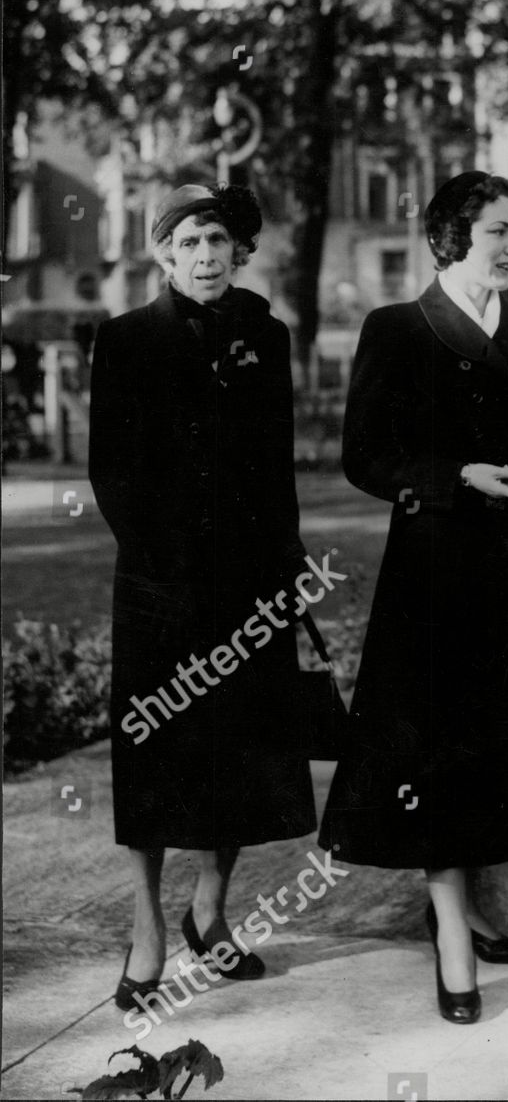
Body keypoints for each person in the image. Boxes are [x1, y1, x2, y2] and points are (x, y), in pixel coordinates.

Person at [318, 172, 508, 1024]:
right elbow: (364, 458)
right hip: (433, 575)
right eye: (497, 232)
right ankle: (449, 936)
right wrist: (452, 477)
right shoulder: (397, 330)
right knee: (436, 751)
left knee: (492, 747)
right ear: (450, 238)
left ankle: (466, 909)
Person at [90, 183, 316, 1014]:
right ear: (163, 254)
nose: (207, 256)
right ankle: (146, 926)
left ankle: (210, 911)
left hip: (249, 585)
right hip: (159, 587)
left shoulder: (267, 335)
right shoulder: (124, 340)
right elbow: (110, 472)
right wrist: (168, 567)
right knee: (154, 759)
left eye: (218, 240)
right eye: (188, 242)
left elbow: (277, 464)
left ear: (237, 250)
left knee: (240, 755)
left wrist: (286, 570)